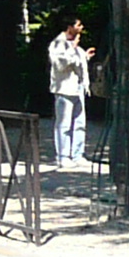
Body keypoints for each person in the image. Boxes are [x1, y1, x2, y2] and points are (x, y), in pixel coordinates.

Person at [46, 19, 92, 166]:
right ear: (70, 27)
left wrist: (85, 56)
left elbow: (77, 63)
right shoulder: (58, 44)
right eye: (78, 25)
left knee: (79, 123)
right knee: (64, 124)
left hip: (78, 88)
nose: (81, 28)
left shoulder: (75, 46)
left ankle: (77, 154)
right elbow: (61, 65)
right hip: (64, 89)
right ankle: (63, 156)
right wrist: (73, 47)